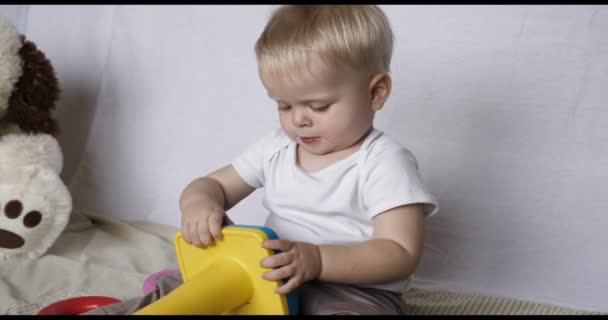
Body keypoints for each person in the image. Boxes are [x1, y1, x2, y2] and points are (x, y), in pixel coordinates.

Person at [84, 5, 438, 315]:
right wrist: (199, 203)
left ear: (375, 92)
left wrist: (317, 260)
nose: (299, 119)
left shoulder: (383, 161)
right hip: (265, 275)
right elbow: (213, 185)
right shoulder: (276, 148)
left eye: (319, 106)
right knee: (182, 291)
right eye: (284, 106)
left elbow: (399, 252)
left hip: (350, 290)